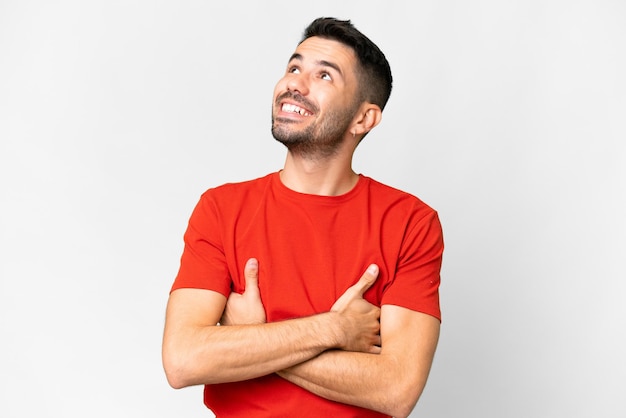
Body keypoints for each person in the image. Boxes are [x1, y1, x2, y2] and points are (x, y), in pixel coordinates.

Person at [162, 17, 443, 418]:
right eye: (294, 68)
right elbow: (183, 359)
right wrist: (334, 330)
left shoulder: (411, 222)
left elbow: (396, 389)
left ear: (363, 119)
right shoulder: (221, 209)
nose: (295, 83)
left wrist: (250, 340)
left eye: (324, 75)